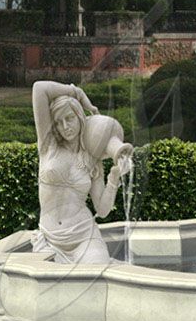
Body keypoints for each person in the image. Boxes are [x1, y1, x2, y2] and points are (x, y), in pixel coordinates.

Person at [31, 81, 130, 264]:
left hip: (84, 236)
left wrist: (114, 177)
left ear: (80, 117)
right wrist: (77, 93)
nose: (65, 126)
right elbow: (39, 89)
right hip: (51, 239)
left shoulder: (92, 159)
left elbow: (102, 210)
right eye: (59, 123)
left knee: (95, 272)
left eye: (69, 118)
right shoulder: (48, 145)